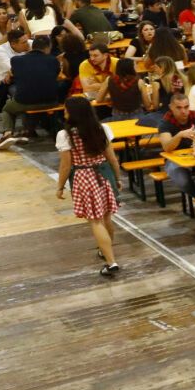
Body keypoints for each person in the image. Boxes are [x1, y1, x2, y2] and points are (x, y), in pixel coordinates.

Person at [54, 96, 123, 280]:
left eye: (66, 110)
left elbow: (66, 165)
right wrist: (117, 178)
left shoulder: (65, 135)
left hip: (84, 177)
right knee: (107, 215)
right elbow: (112, 158)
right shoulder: (102, 129)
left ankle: (111, 261)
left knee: (95, 220)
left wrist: (60, 186)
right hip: (104, 173)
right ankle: (106, 250)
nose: (64, 113)